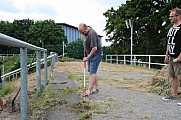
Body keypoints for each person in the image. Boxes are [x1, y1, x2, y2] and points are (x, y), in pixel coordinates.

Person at [162, 8, 181, 106]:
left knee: (180, 76)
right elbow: (169, 43)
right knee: (173, 76)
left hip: (179, 56)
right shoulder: (171, 28)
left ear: (178, 16)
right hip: (172, 56)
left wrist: (180, 57)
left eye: (171, 16)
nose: (170, 18)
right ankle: (174, 95)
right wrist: (167, 54)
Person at [78, 23, 102, 96]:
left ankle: (88, 91)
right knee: (92, 72)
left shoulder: (92, 34)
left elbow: (95, 48)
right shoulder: (85, 34)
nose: (82, 34)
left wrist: (88, 57)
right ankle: (96, 89)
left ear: (86, 28)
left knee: (92, 73)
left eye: (83, 32)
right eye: (81, 33)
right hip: (90, 54)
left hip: (95, 54)